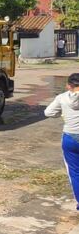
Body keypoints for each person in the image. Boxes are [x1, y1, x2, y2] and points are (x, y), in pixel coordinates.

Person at [44, 73, 79, 210]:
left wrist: (62, 112)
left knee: (75, 173)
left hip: (70, 138)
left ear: (69, 86)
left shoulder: (62, 97)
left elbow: (48, 112)